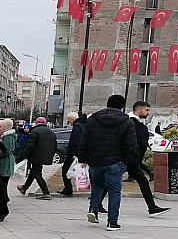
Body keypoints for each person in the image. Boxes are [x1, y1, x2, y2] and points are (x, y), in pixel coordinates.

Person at [79, 95, 138, 231]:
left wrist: (83, 158)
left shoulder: (93, 119)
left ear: (107, 103)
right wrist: (126, 162)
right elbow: (130, 145)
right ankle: (112, 222)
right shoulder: (127, 122)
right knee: (114, 192)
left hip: (95, 161)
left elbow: (84, 141)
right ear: (122, 106)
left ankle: (93, 209)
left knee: (97, 186)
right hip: (115, 161)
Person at [127, 102, 171, 217]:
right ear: (138, 110)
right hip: (130, 160)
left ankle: (96, 205)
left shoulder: (137, 124)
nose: (148, 113)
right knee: (143, 182)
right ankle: (152, 207)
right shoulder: (131, 123)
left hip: (132, 160)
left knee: (113, 182)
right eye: (146, 110)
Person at [17, 117, 58, 200]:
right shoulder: (51, 132)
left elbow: (30, 145)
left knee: (37, 174)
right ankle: (24, 188)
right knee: (34, 172)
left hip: (36, 155)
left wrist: (24, 155)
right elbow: (54, 145)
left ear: (37, 122)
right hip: (46, 155)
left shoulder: (35, 131)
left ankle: (46, 192)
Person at [57, 112, 87, 197]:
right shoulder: (83, 124)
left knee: (65, 170)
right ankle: (67, 189)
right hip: (80, 152)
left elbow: (76, 140)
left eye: (68, 119)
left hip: (73, 154)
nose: (68, 121)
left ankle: (68, 189)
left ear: (71, 119)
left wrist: (74, 153)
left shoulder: (77, 126)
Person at [0, 119, 17, 203]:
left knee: (2, 182)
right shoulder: (8, 136)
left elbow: (6, 150)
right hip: (7, 160)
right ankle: (4, 197)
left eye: (0, 126)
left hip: (5, 162)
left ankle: (4, 198)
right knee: (3, 182)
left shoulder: (7, 137)